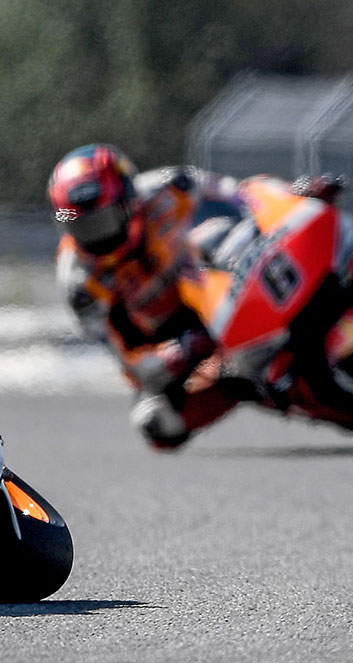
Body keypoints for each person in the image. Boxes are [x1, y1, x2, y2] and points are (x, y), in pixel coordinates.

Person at [47, 143, 254, 449]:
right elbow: (130, 364)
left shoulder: (171, 187)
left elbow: (246, 196)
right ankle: (245, 382)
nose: (95, 238)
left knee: (215, 234)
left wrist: (293, 198)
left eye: (101, 223)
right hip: (179, 337)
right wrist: (181, 350)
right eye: (81, 228)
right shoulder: (79, 280)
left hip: (229, 287)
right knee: (156, 422)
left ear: (127, 201)